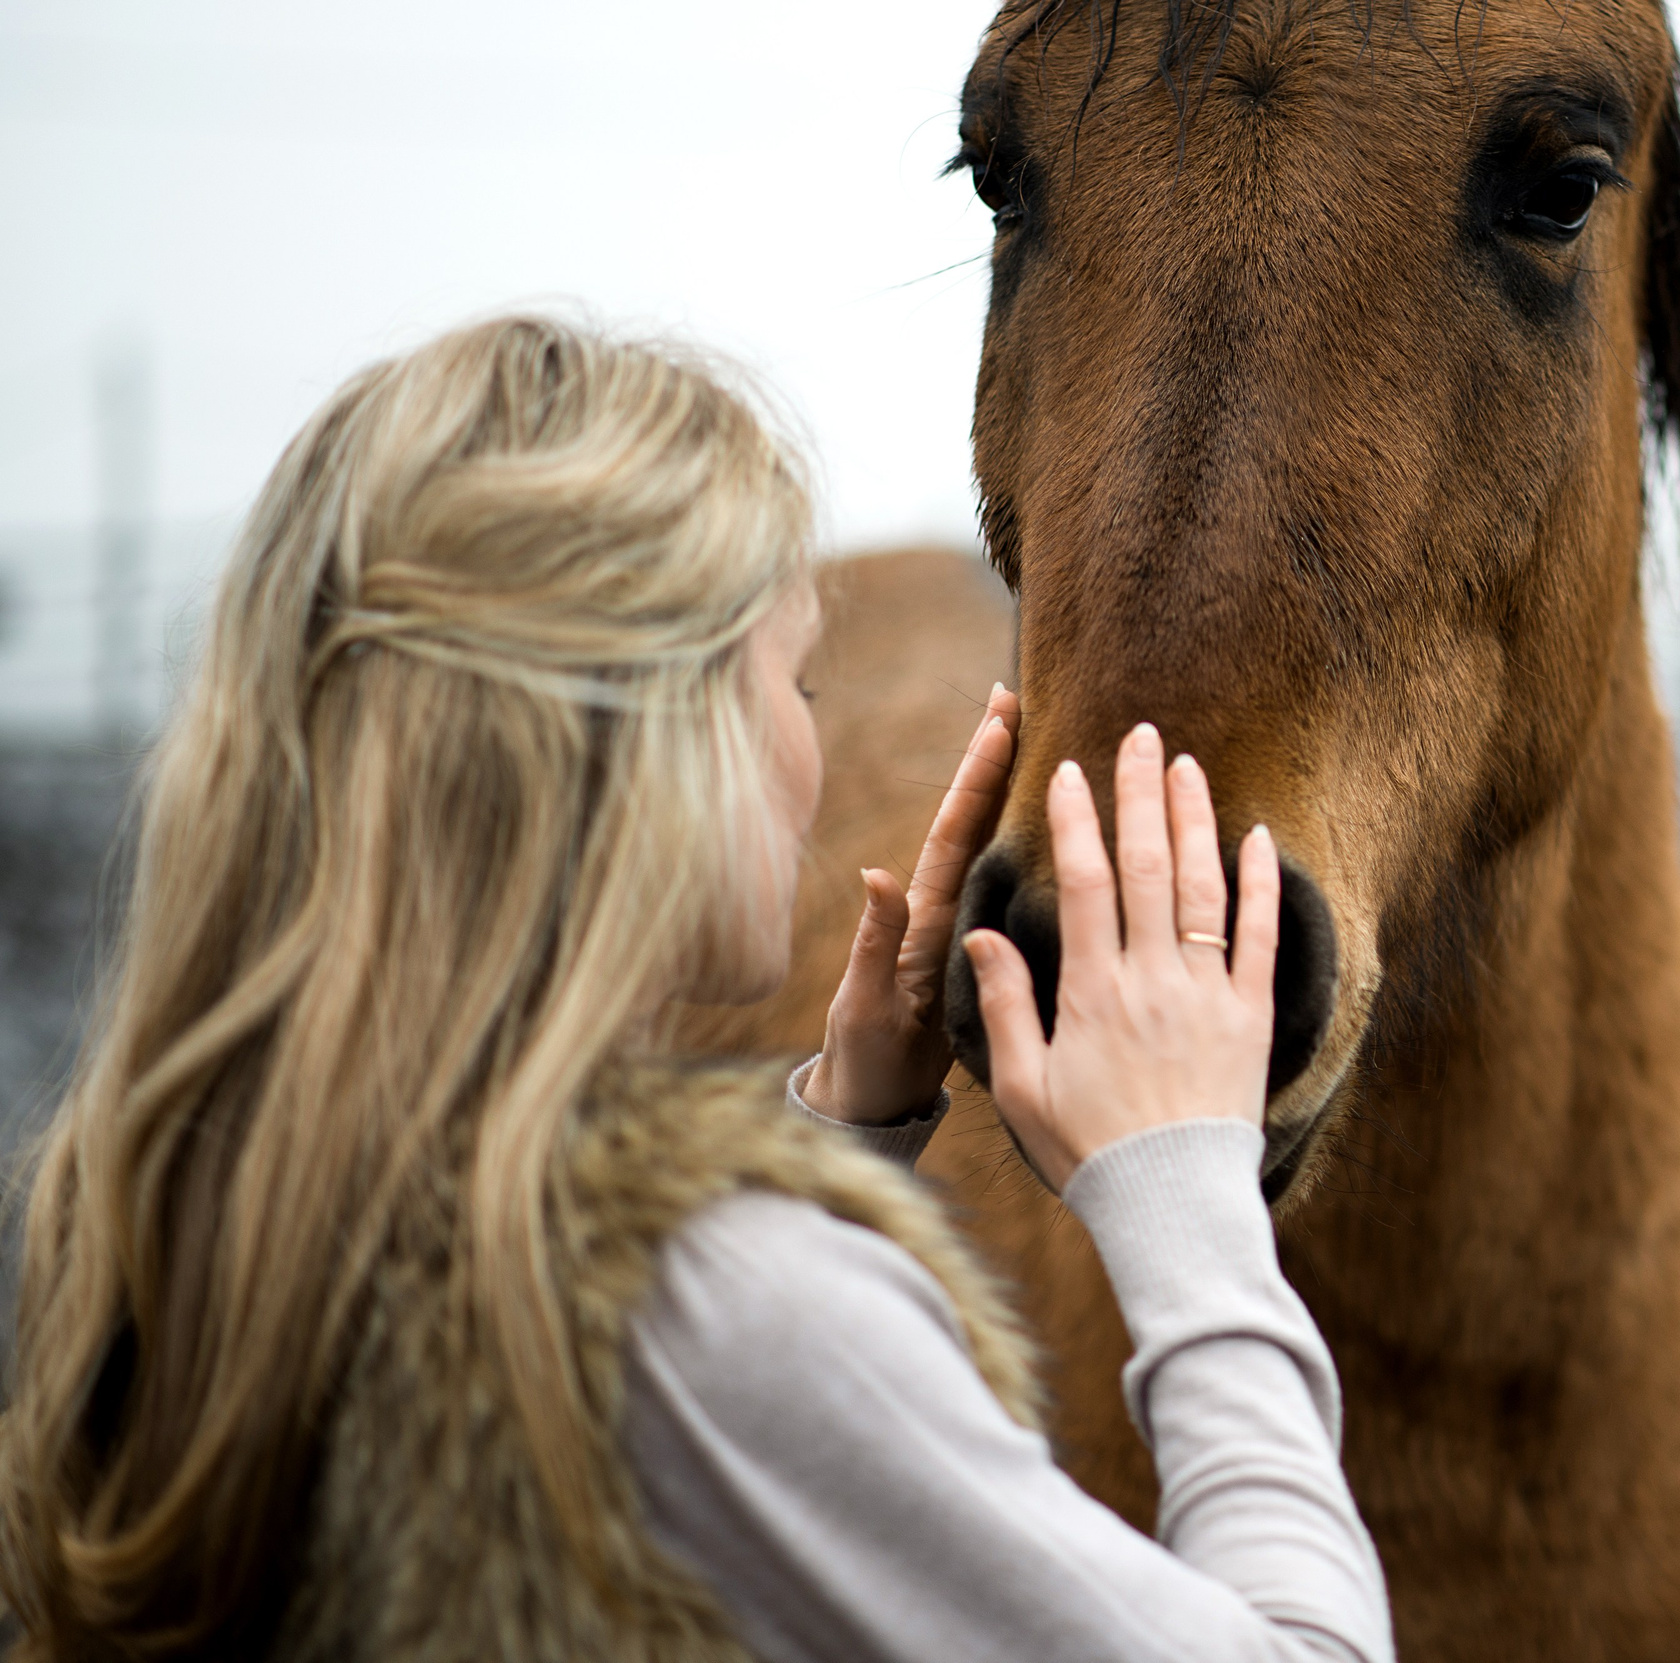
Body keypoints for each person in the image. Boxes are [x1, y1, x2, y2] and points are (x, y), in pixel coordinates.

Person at [0, 317, 1393, 1663]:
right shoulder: (708, 1309)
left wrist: (840, 1151)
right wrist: (1187, 1193)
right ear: (643, 735)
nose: (816, 745)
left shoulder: (179, 1207)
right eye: (793, 680)